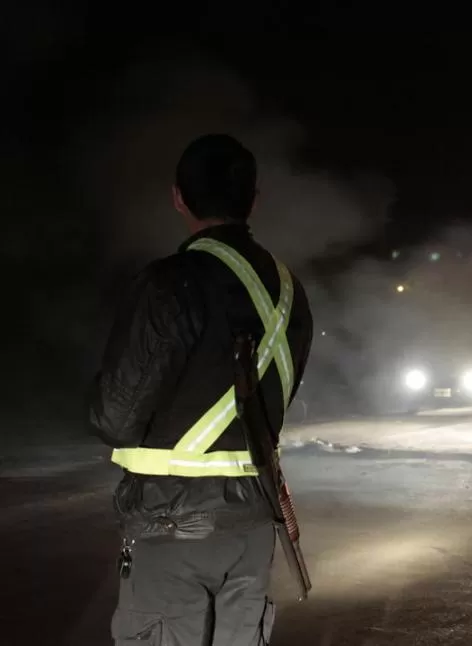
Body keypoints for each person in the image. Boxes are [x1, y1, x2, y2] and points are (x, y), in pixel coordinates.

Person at [88, 134, 314, 646]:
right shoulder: (289, 291)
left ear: (178, 198)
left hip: (172, 530)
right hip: (254, 525)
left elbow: (114, 417)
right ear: (253, 200)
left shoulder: (171, 283)